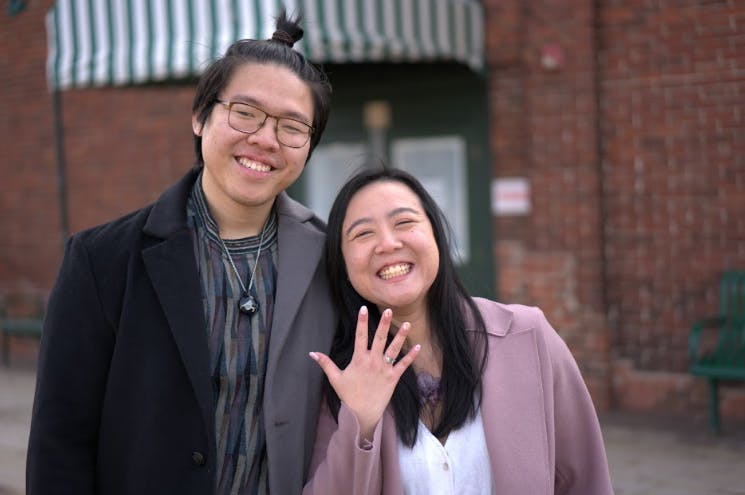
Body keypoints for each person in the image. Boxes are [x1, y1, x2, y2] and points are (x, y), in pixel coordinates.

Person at [27, 10, 337, 495]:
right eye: (246, 112)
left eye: (293, 126)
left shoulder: (330, 260)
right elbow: (60, 443)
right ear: (200, 116)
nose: (265, 138)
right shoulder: (101, 261)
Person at [303, 167, 614, 494]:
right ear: (345, 266)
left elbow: (585, 480)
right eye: (363, 234)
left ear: (436, 235)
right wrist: (360, 423)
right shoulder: (344, 376)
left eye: (404, 223)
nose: (388, 243)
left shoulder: (527, 336)